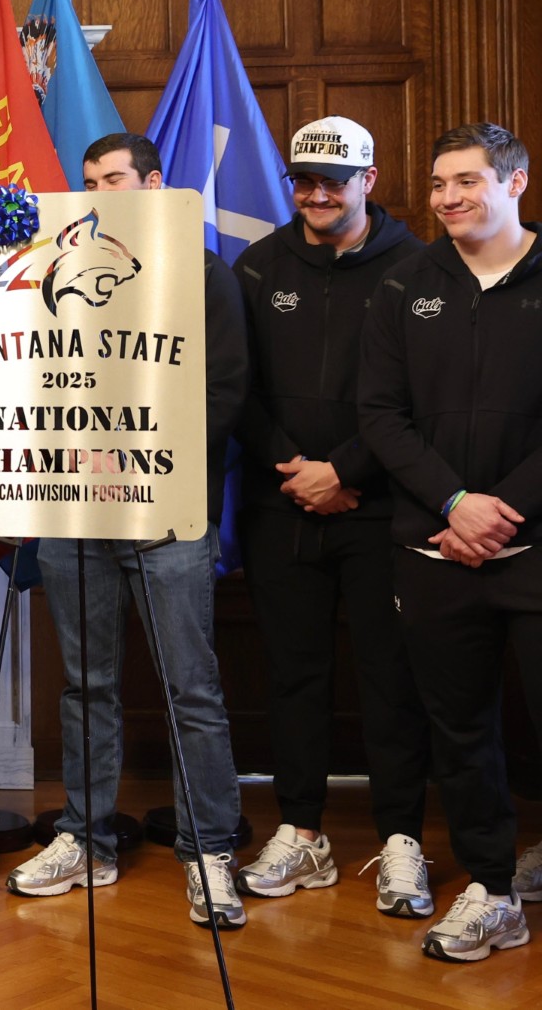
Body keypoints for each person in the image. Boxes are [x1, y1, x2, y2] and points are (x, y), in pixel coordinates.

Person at [7, 131, 252, 930]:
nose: (102, 189)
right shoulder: (54, 266)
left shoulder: (203, 274)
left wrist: (142, 452)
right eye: (90, 181)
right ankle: (87, 836)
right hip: (73, 512)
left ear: (153, 184)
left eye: (116, 178)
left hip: (166, 512)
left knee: (193, 688)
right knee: (88, 684)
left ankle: (209, 848)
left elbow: (226, 394)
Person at [230, 117, 433, 917]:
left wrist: (344, 471)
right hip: (282, 506)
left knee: (392, 680)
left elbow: (423, 399)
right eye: (304, 181)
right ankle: (303, 831)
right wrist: (297, 474)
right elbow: (233, 389)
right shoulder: (255, 266)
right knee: (293, 675)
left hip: (381, 510)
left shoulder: (421, 269)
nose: (316, 195)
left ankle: (402, 841)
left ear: (368, 181)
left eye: (333, 181)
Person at [359, 121, 542, 963]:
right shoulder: (403, 283)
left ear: (515, 182)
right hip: (434, 548)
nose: (448, 198)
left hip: (533, 548)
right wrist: (458, 502)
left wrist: (503, 506)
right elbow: (381, 418)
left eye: (466, 181)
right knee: (461, 734)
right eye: (438, 185)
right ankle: (492, 889)